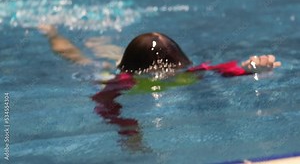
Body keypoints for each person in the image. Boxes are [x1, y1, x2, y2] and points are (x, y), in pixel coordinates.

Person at [39, 24, 281, 152]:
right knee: (81, 60)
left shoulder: (186, 72)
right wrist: (128, 129)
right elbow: (102, 102)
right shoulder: (124, 81)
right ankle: (51, 31)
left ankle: (100, 42)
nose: (166, 77)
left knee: (110, 54)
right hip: (107, 73)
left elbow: (221, 69)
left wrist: (251, 68)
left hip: (130, 64)